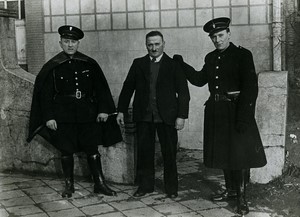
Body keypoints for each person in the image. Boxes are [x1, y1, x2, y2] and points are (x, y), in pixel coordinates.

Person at [173, 17, 267, 215]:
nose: (217, 40)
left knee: (239, 155)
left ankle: (241, 198)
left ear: (229, 34)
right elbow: (199, 80)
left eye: (220, 35)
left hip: (236, 112)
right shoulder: (211, 58)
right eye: (213, 37)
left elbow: (250, 88)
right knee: (225, 153)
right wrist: (182, 65)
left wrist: (244, 117)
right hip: (217, 113)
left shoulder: (242, 55)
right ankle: (231, 190)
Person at [27, 25, 122, 198]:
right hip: (63, 116)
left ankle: (99, 183)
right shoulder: (53, 66)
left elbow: (100, 89)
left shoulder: (89, 63)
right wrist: (48, 117)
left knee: (92, 150)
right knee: (66, 150)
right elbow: (45, 95)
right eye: (66, 41)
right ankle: (69, 186)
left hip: (87, 114)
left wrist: (103, 110)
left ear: (78, 43)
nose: (70, 45)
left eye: (73, 41)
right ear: (60, 43)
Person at [116, 31, 190, 198]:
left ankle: (171, 188)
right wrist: (120, 110)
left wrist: (181, 116)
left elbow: (183, 93)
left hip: (168, 117)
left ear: (164, 44)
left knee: (169, 153)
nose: (154, 48)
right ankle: (145, 186)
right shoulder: (138, 63)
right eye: (150, 44)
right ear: (146, 45)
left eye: (157, 44)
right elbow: (128, 87)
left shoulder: (173, 65)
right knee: (144, 153)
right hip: (144, 117)